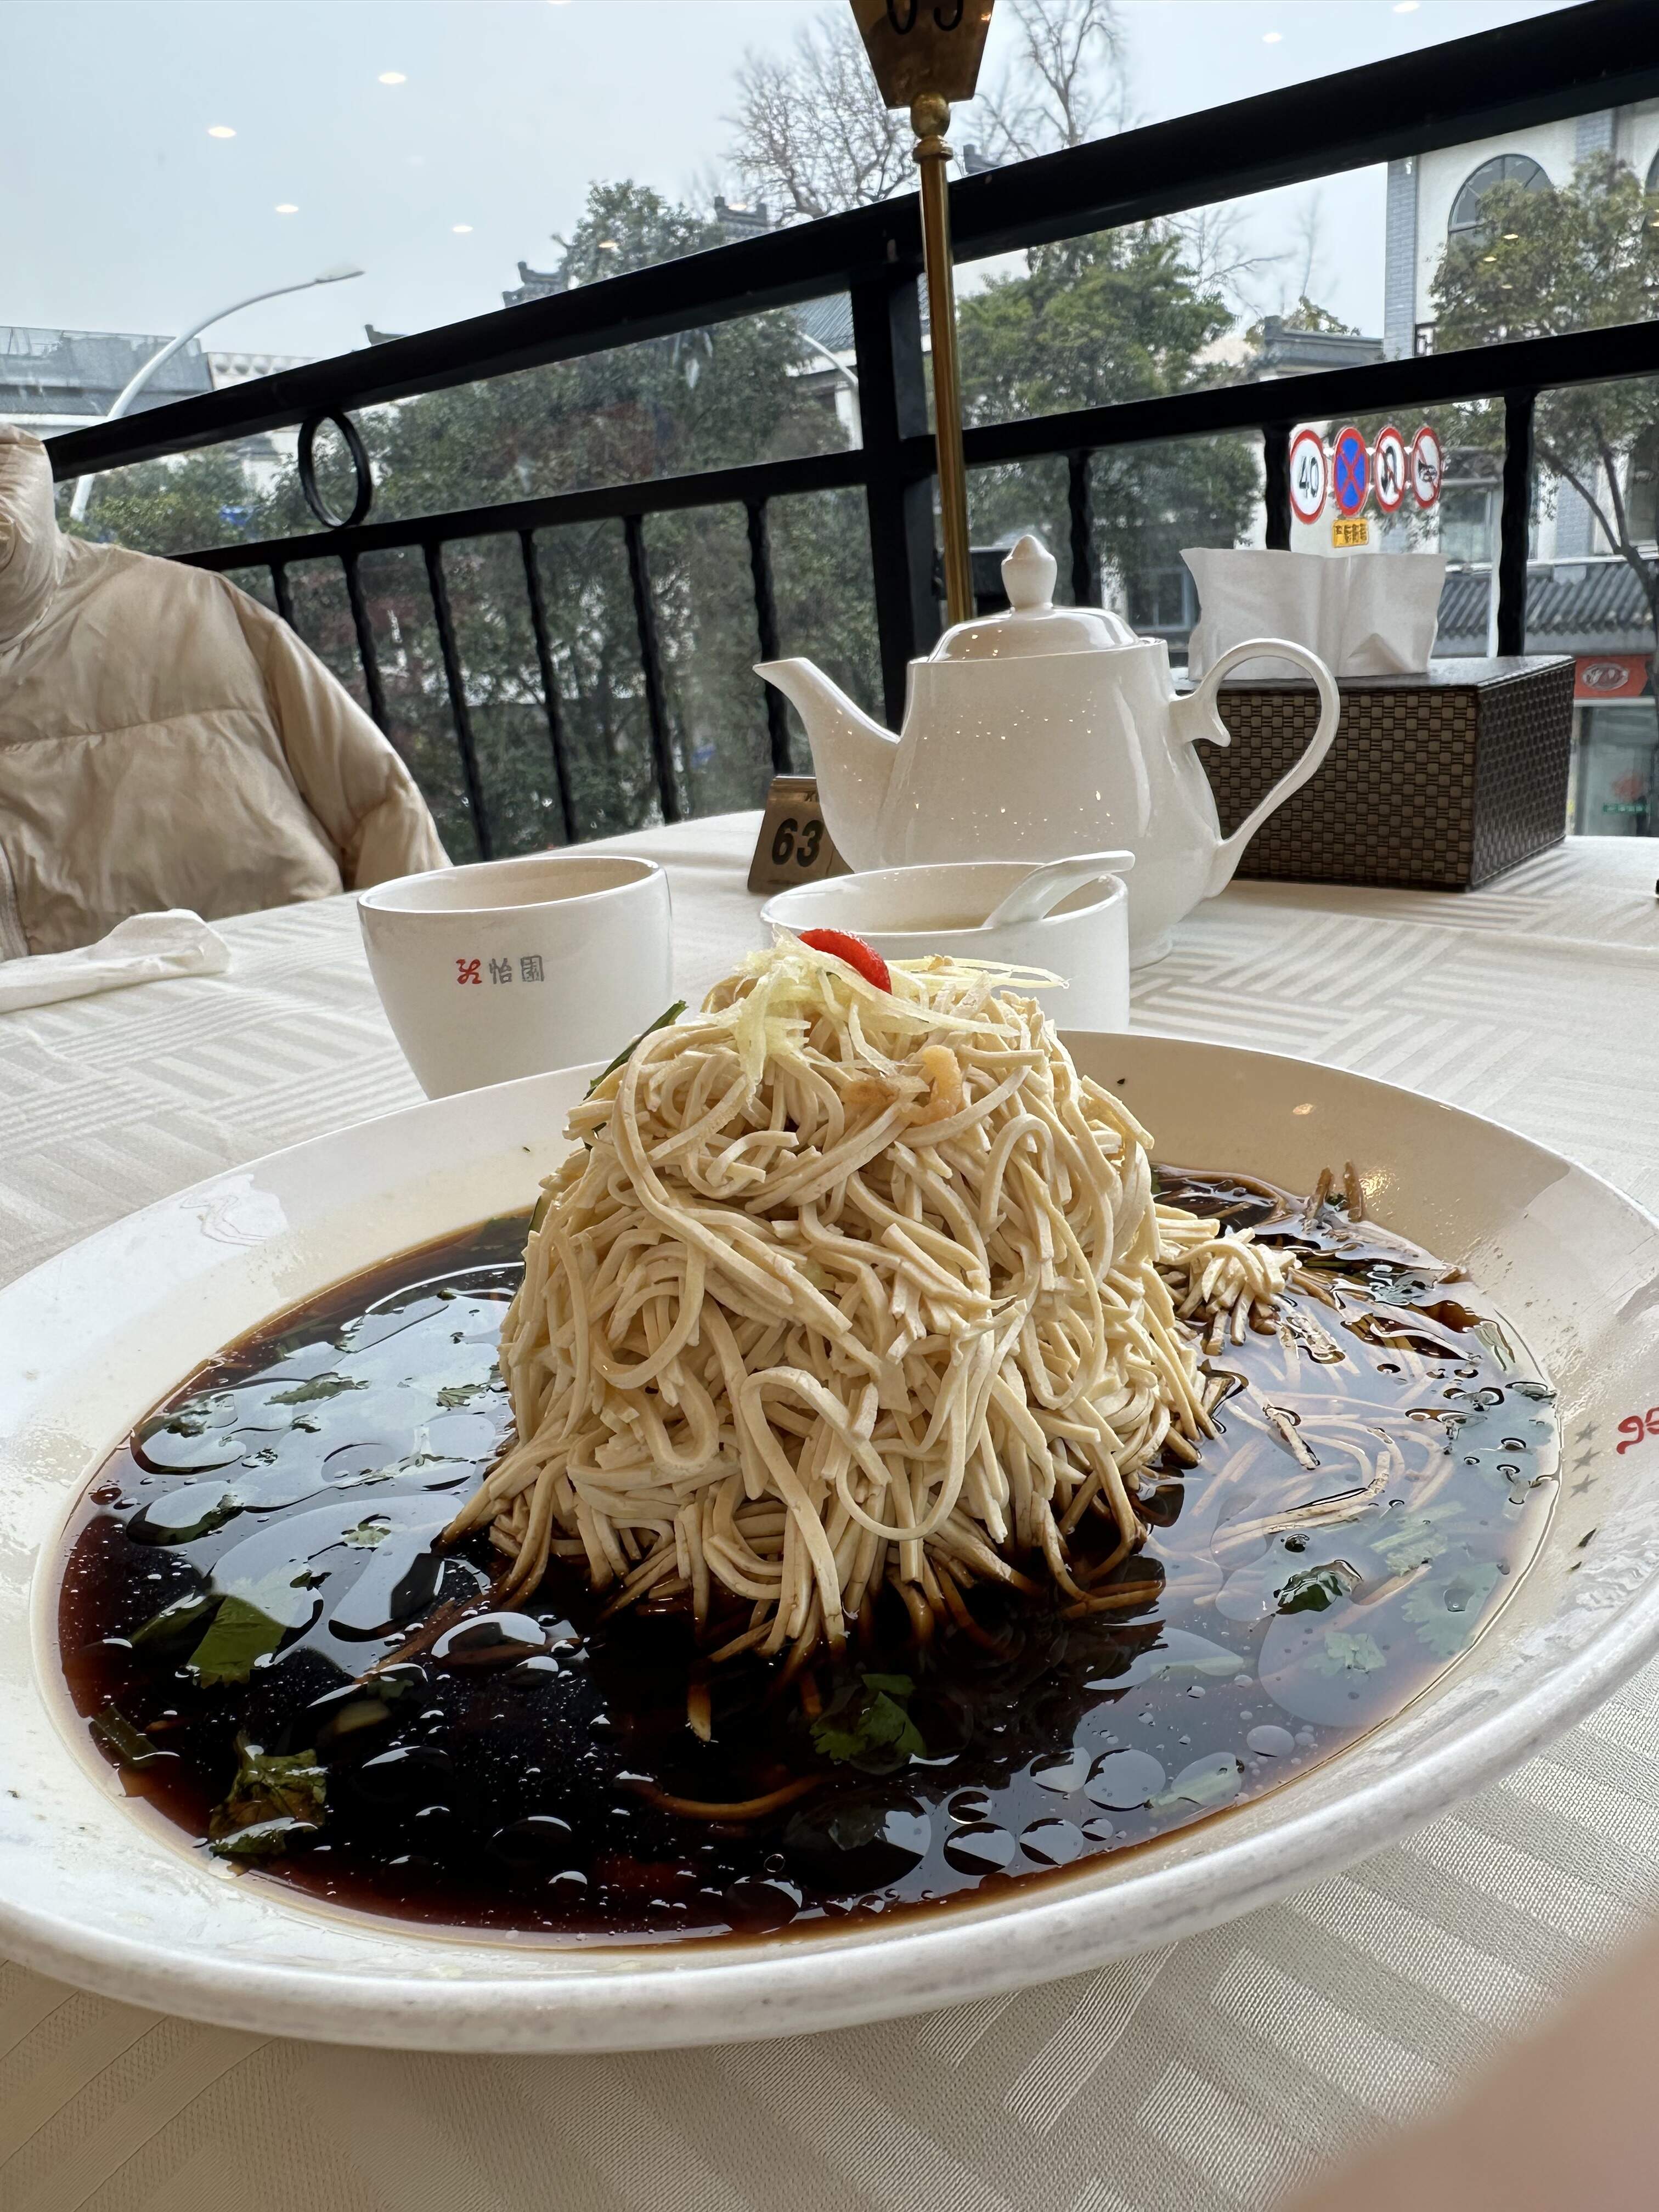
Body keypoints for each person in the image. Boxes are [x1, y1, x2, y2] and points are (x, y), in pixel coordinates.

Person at [0, 424, 447, 957]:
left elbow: (379, 810)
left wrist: (429, 969)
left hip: (300, 981)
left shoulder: (200, 613)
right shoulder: (193, 608)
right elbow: (380, 809)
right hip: (306, 982)